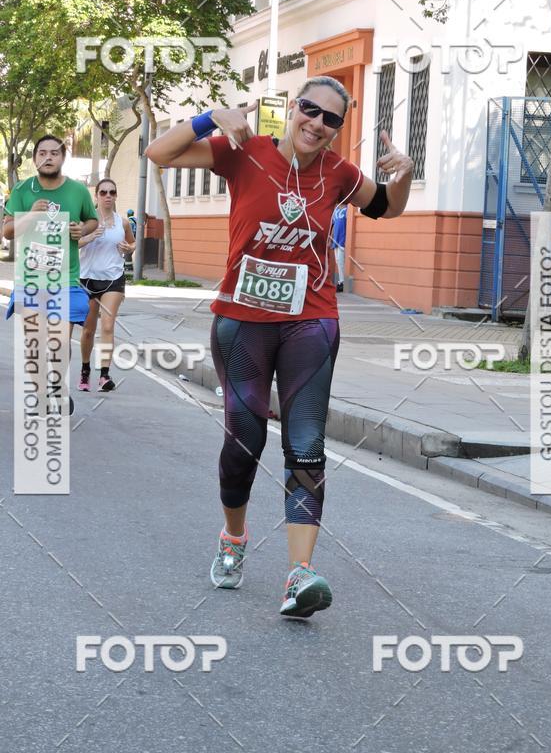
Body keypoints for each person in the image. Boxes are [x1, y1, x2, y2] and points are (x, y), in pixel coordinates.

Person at [146, 75, 413, 618]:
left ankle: (299, 574)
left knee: (306, 440)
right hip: (242, 320)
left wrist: (403, 177)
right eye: (310, 110)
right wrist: (210, 116)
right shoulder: (245, 151)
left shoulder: (338, 174)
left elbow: (387, 207)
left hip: (310, 321)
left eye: (331, 119)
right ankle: (234, 537)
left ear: (339, 130)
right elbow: (158, 152)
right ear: (294, 109)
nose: (317, 123)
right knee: (244, 439)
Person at [2, 134, 98, 414]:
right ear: (34, 158)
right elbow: (6, 231)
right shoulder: (22, 189)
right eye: (42, 152)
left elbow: (91, 219)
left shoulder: (78, 191)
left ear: (62, 157)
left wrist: (85, 229)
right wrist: (30, 214)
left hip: (65, 279)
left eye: (54, 153)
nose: (48, 157)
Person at [78, 178, 135, 392]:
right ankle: (85, 371)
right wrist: (91, 235)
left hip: (113, 279)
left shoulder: (123, 222)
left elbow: (132, 243)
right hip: (87, 280)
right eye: (103, 192)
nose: (108, 196)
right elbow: (73, 243)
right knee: (88, 331)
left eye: (112, 192)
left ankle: (104, 375)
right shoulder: (86, 221)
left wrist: (129, 249)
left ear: (116, 195)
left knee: (108, 326)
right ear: (96, 196)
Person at [330, 203, 347, 292]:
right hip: (336, 240)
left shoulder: (347, 210)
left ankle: (342, 282)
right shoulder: (336, 210)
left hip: (342, 239)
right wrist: (331, 238)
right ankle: (341, 281)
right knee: (337, 261)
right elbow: (334, 224)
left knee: (341, 261)